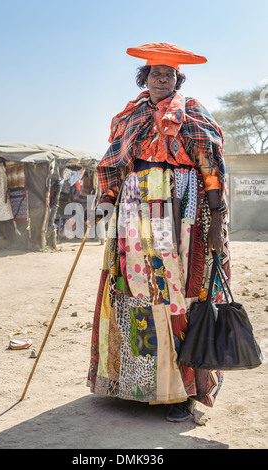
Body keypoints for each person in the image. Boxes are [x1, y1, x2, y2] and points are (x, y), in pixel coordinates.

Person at [86, 43, 231, 422]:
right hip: (135, 208)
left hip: (181, 211)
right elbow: (115, 164)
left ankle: (181, 391)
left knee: (178, 294)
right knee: (137, 290)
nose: (163, 78)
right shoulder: (129, 116)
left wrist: (216, 217)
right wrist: (105, 202)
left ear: (177, 79)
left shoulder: (192, 112)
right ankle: (139, 386)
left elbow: (210, 165)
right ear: (144, 78)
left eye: (169, 74)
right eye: (156, 73)